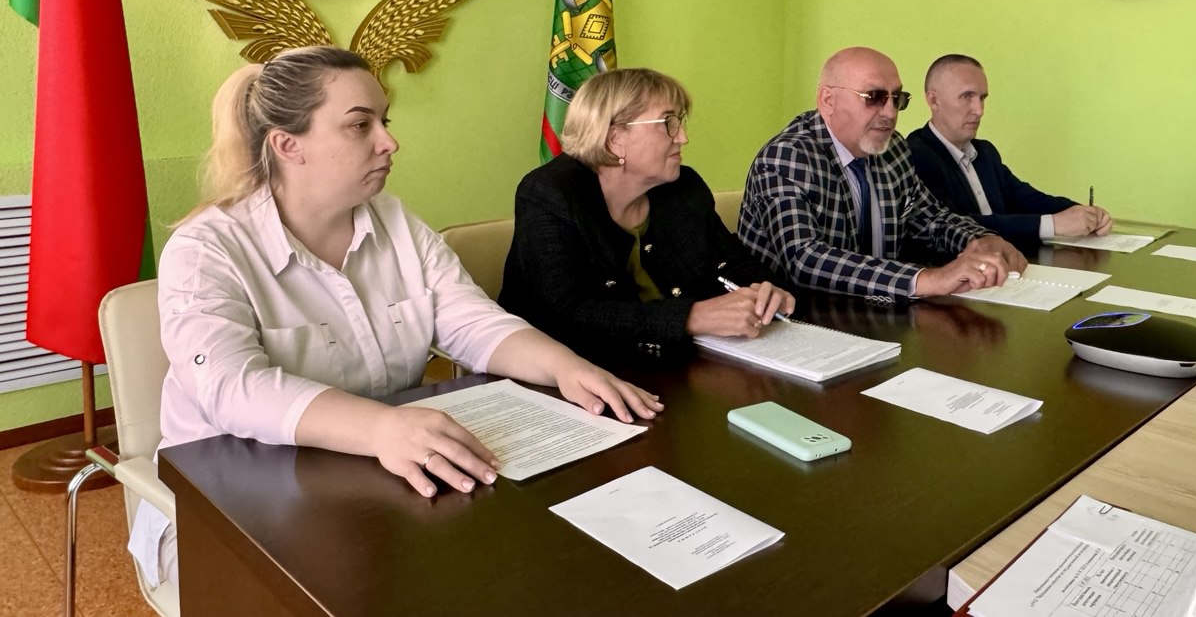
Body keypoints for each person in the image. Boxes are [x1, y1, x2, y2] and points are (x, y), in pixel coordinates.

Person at [129, 46, 660, 588]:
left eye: (385, 121)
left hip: (375, 487)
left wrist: (564, 366)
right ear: (288, 145)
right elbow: (231, 388)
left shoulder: (395, 221)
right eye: (360, 125)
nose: (389, 142)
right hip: (231, 508)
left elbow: (472, 321)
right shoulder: (206, 249)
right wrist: (380, 426)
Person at [499, 68, 794, 363]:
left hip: (671, 363)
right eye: (668, 123)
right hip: (565, 369)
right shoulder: (549, 193)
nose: (683, 137)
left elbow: (733, 262)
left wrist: (765, 291)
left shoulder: (684, 188)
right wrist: (691, 317)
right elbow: (566, 312)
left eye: (680, 122)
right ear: (615, 138)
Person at [738, 47, 1027, 303]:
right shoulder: (788, 156)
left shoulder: (893, 149)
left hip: (876, 312)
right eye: (874, 97)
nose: (890, 112)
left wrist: (979, 239)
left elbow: (930, 219)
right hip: (798, 320)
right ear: (828, 100)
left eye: (896, 98)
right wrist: (927, 279)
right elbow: (805, 259)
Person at [906, 54, 1112, 242]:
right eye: (966, 96)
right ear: (934, 100)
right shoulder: (915, 155)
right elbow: (952, 225)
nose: (979, 110)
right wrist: (1053, 224)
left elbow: (1025, 198)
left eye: (982, 98)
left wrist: (1083, 213)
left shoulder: (985, 152)